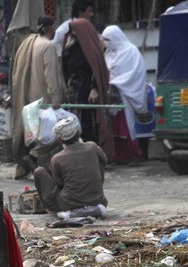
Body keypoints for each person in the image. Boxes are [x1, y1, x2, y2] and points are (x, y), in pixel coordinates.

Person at [11, 16, 64, 179]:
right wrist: (56, 98)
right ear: (51, 28)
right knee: (52, 135)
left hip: (31, 98)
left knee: (37, 134)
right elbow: (51, 75)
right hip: (45, 100)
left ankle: (38, 166)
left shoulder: (32, 43)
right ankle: (33, 157)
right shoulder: (47, 46)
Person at [61, 18, 114, 160]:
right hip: (74, 92)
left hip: (87, 92)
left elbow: (96, 70)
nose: (72, 34)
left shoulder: (92, 49)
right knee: (74, 123)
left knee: (88, 123)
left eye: (74, 32)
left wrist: (95, 88)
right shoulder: (71, 48)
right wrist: (66, 49)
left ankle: (92, 155)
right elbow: (66, 68)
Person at [33, 117, 108, 217]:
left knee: (39, 171)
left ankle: (54, 210)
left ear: (60, 140)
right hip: (97, 200)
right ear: (79, 132)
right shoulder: (92, 146)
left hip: (68, 204)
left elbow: (59, 182)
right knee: (100, 159)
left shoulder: (57, 158)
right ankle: (92, 200)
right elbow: (105, 161)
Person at [101, 25, 148, 165]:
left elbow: (136, 73)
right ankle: (120, 156)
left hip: (125, 93)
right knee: (114, 127)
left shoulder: (131, 51)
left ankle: (135, 154)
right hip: (111, 95)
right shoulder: (108, 53)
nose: (105, 42)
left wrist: (117, 82)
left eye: (107, 39)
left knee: (126, 126)